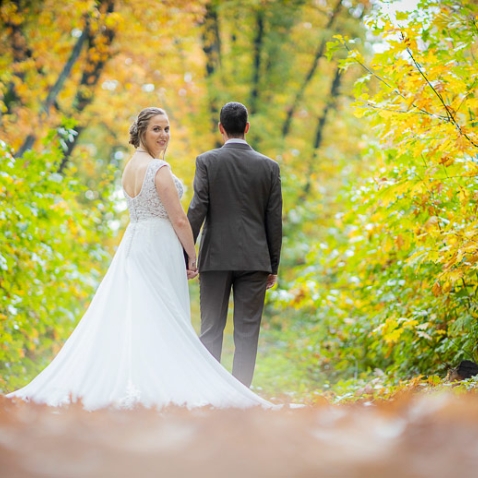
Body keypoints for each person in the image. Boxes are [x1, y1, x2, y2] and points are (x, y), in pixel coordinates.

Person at [7, 107, 272, 411]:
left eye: (167, 129)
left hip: (135, 242)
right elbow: (180, 221)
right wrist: (192, 255)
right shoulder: (158, 170)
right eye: (157, 129)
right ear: (142, 133)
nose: (164, 135)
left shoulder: (131, 166)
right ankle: (157, 382)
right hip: (158, 246)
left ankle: (142, 376)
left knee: (139, 312)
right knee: (163, 312)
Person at [187, 102, 282, 388]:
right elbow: (273, 220)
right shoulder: (269, 167)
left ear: (221, 128)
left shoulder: (206, 161)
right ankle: (240, 396)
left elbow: (197, 209)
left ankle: (210, 392)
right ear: (247, 127)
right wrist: (273, 266)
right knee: (247, 333)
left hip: (215, 258)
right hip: (255, 260)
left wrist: (186, 253)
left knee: (211, 330)